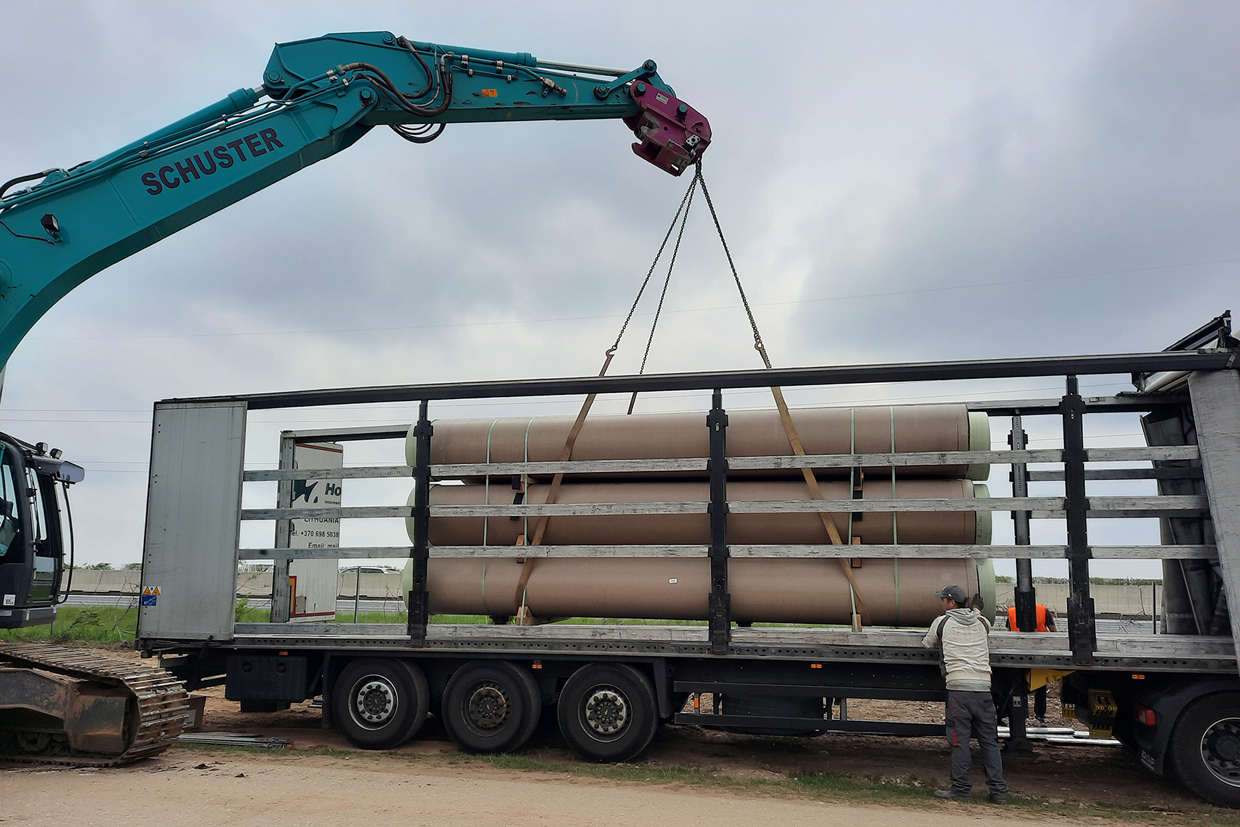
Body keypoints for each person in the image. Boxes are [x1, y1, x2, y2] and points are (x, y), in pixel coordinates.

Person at [923, 584, 1008, 804]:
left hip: (959, 690)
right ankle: (998, 791)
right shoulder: (982, 622)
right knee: (989, 741)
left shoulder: (942, 622)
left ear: (952, 603)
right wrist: (976, 610)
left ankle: (961, 789)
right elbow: (980, 621)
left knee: (960, 741)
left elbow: (928, 643)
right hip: (983, 688)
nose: (941, 602)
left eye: (943, 599)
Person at [1007, 603, 1058, 724]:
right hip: (1040, 652)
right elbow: (1054, 632)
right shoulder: (1043, 610)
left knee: (1019, 684)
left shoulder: (1012, 612)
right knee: (1040, 684)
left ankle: (1021, 714)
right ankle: (1040, 715)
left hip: (1018, 652)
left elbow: (1008, 632)